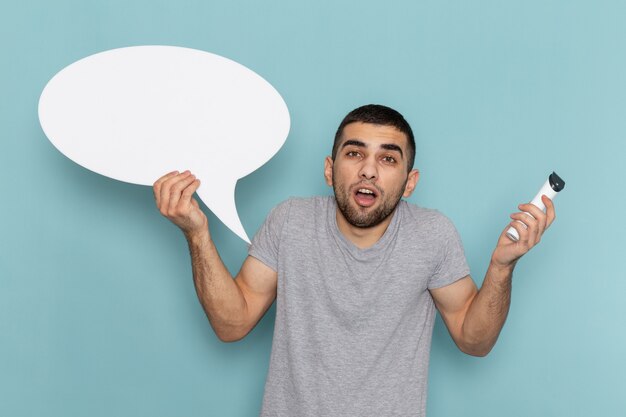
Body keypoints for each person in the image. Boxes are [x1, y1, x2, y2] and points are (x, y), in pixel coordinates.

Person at [153, 104, 556, 416]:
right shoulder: (290, 221)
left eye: (388, 158)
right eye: (354, 153)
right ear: (330, 170)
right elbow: (232, 323)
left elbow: (475, 340)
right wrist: (197, 233)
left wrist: (502, 267)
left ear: (410, 182)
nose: (368, 171)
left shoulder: (432, 235)